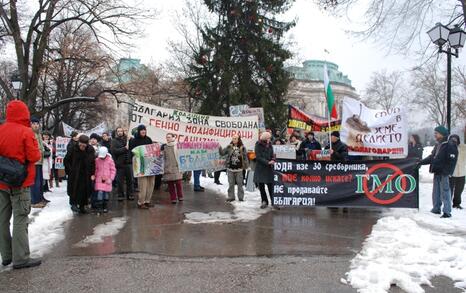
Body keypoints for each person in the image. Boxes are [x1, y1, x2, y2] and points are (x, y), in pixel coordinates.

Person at [0, 100, 42, 269]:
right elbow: (34, 156)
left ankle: (6, 255)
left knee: (2, 219)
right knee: (20, 219)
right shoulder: (26, 132)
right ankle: (21, 257)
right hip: (21, 182)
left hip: (2, 181)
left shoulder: (1, 129)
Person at [418, 126, 458, 218]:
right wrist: (421, 162)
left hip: (444, 172)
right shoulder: (438, 144)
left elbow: (452, 160)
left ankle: (447, 212)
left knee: (445, 191)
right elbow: (432, 157)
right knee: (436, 191)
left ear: (442, 134)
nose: (435, 135)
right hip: (437, 171)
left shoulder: (450, 144)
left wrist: (448, 172)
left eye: (436, 133)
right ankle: (436, 208)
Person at [64, 135, 96, 214]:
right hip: (74, 173)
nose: (82, 147)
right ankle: (73, 204)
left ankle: (82, 206)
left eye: (84, 145)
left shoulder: (90, 149)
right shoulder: (73, 148)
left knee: (84, 190)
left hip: (86, 173)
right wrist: (70, 171)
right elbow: (66, 160)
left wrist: (92, 173)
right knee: (74, 188)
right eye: (80, 145)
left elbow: (93, 162)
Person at [129, 125, 155, 209]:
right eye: (142, 130)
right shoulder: (134, 140)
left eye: (144, 130)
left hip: (149, 164)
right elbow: (132, 151)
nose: (143, 131)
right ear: (139, 131)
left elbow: (152, 150)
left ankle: (148, 201)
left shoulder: (149, 139)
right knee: (143, 184)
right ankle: (141, 202)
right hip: (140, 165)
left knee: (151, 183)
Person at [220, 134, 249, 202]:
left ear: (238, 139)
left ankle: (241, 198)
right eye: (233, 138)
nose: (234, 140)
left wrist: (247, 166)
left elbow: (245, 157)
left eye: (235, 138)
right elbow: (222, 153)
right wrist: (219, 147)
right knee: (231, 184)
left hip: (239, 169)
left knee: (240, 184)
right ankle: (231, 197)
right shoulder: (229, 147)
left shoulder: (242, 147)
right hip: (230, 168)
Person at [111, 127, 134, 202]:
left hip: (128, 163)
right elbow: (114, 151)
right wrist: (124, 148)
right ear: (116, 132)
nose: (120, 132)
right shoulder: (114, 141)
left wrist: (131, 140)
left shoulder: (127, 140)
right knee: (119, 181)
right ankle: (120, 195)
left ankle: (130, 194)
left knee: (130, 180)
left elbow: (132, 149)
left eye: (121, 131)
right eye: (118, 131)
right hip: (120, 164)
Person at [254, 131, 275, 209]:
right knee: (261, 186)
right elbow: (258, 157)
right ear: (265, 138)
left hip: (269, 168)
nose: (270, 139)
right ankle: (264, 201)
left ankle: (274, 201)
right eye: (268, 138)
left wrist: (273, 159)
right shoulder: (258, 144)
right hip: (260, 168)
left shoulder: (270, 145)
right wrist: (268, 162)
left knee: (270, 185)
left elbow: (272, 154)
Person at [30, 117, 47, 208]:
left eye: (37, 123)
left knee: (40, 181)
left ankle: (40, 197)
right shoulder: (31, 133)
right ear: (30, 124)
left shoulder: (38, 134)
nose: (36, 125)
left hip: (39, 161)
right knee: (35, 182)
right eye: (34, 123)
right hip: (34, 161)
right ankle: (34, 200)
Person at [162, 133, 184, 204]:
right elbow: (163, 157)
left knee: (178, 183)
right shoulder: (165, 147)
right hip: (168, 167)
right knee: (170, 184)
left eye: (169, 137)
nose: (167, 138)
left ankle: (180, 196)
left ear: (173, 138)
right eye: (167, 137)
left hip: (176, 167)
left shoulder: (177, 145)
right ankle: (173, 198)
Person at [94, 146, 116, 213]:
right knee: (100, 192)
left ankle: (105, 206)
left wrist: (111, 178)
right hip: (99, 179)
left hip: (107, 180)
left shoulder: (110, 160)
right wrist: (94, 175)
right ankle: (100, 206)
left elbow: (113, 170)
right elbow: (95, 169)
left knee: (106, 193)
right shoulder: (97, 160)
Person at [449, 135, 465, 209]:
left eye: (456, 139)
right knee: (449, 190)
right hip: (452, 173)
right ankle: (448, 204)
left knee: (459, 190)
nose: (454, 141)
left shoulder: (463, 148)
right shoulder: (448, 148)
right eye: (452, 139)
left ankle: (456, 204)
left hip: (461, 172)